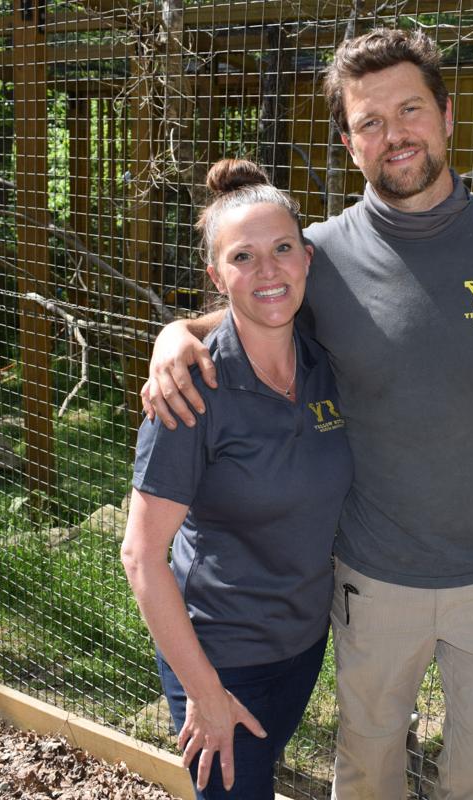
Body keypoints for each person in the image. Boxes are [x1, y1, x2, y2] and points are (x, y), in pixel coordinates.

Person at [142, 29, 473, 800]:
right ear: (349, 143)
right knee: (367, 772)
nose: (396, 134)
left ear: (447, 115)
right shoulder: (319, 256)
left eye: (410, 109)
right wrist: (175, 335)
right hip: (371, 578)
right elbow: (254, 302)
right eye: (370, 121)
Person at [120, 159, 353, 799]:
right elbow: (141, 555)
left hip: (303, 643)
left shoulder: (328, 359)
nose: (268, 271)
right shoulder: (190, 392)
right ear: (216, 276)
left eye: (281, 249)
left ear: (307, 257)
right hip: (218, 654)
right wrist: (206, 692)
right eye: (243, 257)